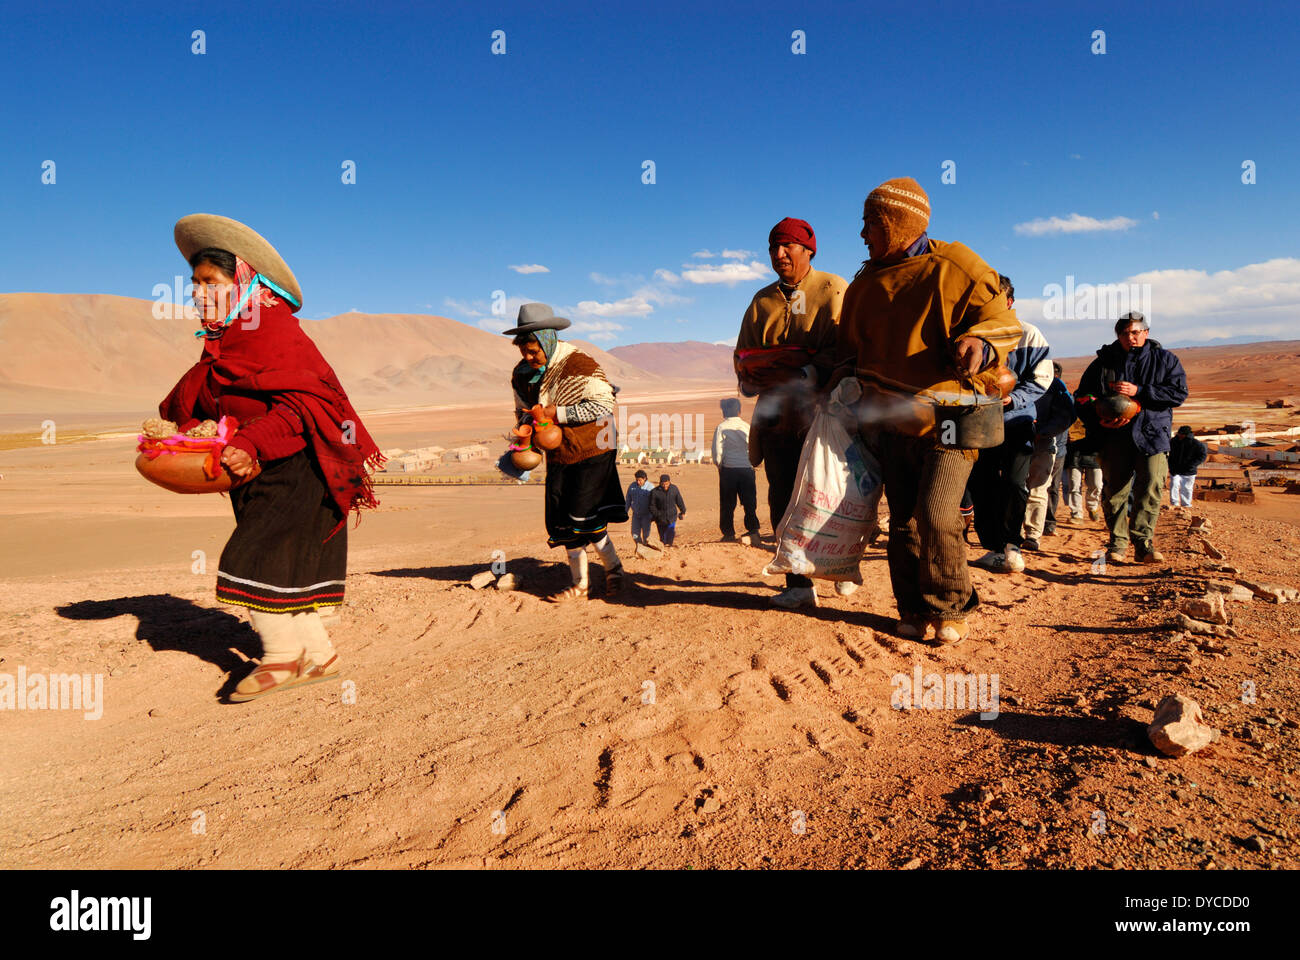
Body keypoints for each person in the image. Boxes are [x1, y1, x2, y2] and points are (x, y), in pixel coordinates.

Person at [159, 214, 383, 702]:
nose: (197, 293)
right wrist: (179, 428)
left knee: (255, 558)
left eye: (209, 282)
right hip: (255, 472)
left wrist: (251, 442)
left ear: (243, 281)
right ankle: (319, 655)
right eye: (193, 284)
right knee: (285, 568)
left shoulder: (275, 332)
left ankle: (280, 658)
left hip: (300, 469)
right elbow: (203, 396)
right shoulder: (225, 341)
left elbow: (308, 404)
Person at [836, 177, 1022, 643]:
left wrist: (979, 341)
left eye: (871, 224)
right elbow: (848, 351)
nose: (863, 234)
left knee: (938, 513)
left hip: (953, 418)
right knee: (903, 521)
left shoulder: (956, 266)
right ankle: (914, 609)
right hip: (891, 423)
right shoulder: (864, 286)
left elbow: (1001, 320)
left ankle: (951, 603)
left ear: (898, 224)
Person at [734, 217, 847, 608]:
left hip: (826, 411)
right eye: (772, 248)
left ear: (808, 249)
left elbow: (846, 350)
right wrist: (751, 376)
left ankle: (839, 565)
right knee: (782, 494)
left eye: (787, 246)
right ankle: (798, 585)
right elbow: (743, 355)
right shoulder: (761, 301)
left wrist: (804, 371)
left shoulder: (833, 289)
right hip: (776, 415)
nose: (778, 255)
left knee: (829, 492)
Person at [505, 303, 628, 600]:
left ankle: (614, 570)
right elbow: (523, 411)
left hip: (595, 444)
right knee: (561, 516)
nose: (529, 357)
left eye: (534, 351)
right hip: (560, 449)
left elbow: (602, 405)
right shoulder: (522, 373)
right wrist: (524, 435)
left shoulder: (578, 364)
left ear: (548, 340)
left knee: (583, 512)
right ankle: (580, 584)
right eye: (524, 351)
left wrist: (554, 413)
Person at [1077, 312, 1188, 563]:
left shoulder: (1165, 360)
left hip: (1152, 434)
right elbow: (1083, 397)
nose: (1131, 337)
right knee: (1115, 491)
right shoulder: (1103, 363)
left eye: (1136, 332)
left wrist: (1140, 392)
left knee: (1150, 487)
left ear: (1146, 333)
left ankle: (1143, 544)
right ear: (1118, 336)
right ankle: (1117, 544)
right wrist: (1098, 413)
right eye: (1125, 333)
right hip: (1113, 436)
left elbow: (1178, 393)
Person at [968, 276, 1050, 573]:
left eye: (995, 299)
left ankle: (1012, 544)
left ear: (1010, 302)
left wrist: (1013, 399)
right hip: (977, 423)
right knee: (981, 483)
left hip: (1016, 421)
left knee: (1015, 483)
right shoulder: (969, 334)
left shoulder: (1029, 335)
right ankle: (992, 547)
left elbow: (1041, 379)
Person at [1021, 360, 1076, 549]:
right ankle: (1013, 532)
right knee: (1015, 487)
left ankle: (1032, 535)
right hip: (1015, 442)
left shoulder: (1055, 386)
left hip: (1043, 444)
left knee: (1037, 489)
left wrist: (1042, 432)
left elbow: (1067, 415)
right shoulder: (1016, 378)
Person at [712, 397, 761, 543]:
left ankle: (728, 534)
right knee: (749, 502)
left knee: (727, 503)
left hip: (729, 470)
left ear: (724, 411)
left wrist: (720, 465)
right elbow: (753, 446)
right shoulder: (746, 426)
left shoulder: (721, 427)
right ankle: (753, 530)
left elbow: (717, 452)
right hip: (747, 469)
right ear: (739, 411)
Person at [1063, 416, 1103, 522]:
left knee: (1097, 484)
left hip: (1094, 451)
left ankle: (1092, 507)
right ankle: (1076, 514)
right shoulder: (1071, 405)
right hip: (1074, 452)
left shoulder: (1097, 406)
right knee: (1074, 485)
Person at [1168, 425, 1208, 512]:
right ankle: (1174, 504)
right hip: (1175, 470)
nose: (1179, 435)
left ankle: (1186, 505)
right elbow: (1168, 454)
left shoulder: (1196, 444)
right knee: (1174, 485)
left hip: (1189, 471)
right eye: (1179, 433)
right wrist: (1170, 465)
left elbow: (1202, 455)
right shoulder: (1173, 442)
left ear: (1186, 434)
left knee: (1186, 488)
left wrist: (1192, 465)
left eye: (1181, 434)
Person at [649, 474, 686, 547]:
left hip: (672, 516)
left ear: (669, 482)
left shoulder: (674, 489)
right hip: (660, 519)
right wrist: (657, 514)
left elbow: (679, 501)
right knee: (662, 537)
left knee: (670, 533)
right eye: (663, 484)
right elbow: (652, 506)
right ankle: (664, 550)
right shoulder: (655, 492)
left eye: (666, 484)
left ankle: (669, 548)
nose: (665, 486)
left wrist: (683, 511)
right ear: (660, 483)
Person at [625, 469, 654, 544]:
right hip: (636, 515)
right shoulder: (632, 486)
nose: (638, 482)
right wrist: (625, 511)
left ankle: (646, 550)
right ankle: (640, 547)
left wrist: (654, 515)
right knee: (635, 534)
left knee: (646, 536)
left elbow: (654, 503)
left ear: (644, 478)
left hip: (647, 515)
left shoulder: (650, 487)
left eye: (640, 480)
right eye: (636, 480)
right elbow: (628, 500)